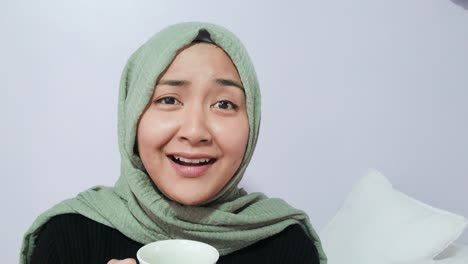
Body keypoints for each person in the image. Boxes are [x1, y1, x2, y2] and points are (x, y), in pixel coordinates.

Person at [20, 22, 327, 264]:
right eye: (168, 99)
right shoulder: (66, 238)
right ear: (133, 116)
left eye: (223, 104)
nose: (195, 132)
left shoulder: (286, 244)